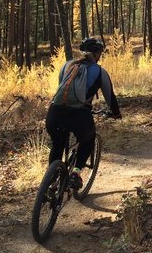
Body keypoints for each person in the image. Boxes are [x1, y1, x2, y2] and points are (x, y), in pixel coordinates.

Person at [46, 37, 121, 190]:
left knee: (58, 143)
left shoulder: (66, 66)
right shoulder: (100, 72)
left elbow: (62, 88)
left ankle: (51, 180)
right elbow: (110, 98)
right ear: (97, 54)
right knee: (88, 140)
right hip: (79, 115)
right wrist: (116, 114)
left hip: (55, 112)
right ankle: (76, 173)